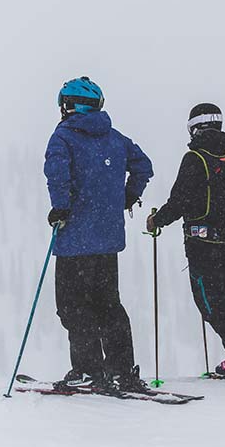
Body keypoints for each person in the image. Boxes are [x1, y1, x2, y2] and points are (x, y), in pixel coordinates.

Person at [44, 76, 154, 392]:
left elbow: (57, 173)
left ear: (69, 105)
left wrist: (60, 208)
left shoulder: (63, 137)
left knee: (72, 306)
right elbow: (143, 166)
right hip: (107, 239)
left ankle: (89, 370)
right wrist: (127, 197)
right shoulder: (115, 138)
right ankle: (122, 371)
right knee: (108, 305)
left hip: (74, 238)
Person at [147, 103, 225, 379]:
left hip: (203, 245)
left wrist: (157, 220)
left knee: (211, 303)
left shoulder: (196, 159)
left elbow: (180, 201)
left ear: (193, 127)